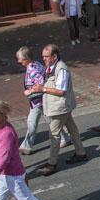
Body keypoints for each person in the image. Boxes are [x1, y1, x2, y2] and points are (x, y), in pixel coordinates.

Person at [33, 44, 87, 176]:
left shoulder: (61, 69)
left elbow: (61, 91)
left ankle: (52, 163)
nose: (44, 59)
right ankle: (80, 153)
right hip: (61, 106)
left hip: (60, 107)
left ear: (54, 56)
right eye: (43, 56)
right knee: (72, 129)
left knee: (54, 135)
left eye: (46, 56)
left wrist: (43, 89)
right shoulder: (52, 67)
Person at [16, 46, 69, 155]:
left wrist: (29, 91)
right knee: (38, 122)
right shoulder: (37, 64)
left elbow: (40, 82)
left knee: (35, 123)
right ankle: (64, 138)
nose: (18, 61)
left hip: (38, 101)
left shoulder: (32, 69)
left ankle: (27, 146)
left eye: (20, 59)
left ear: (26, 59)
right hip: (40, 101)